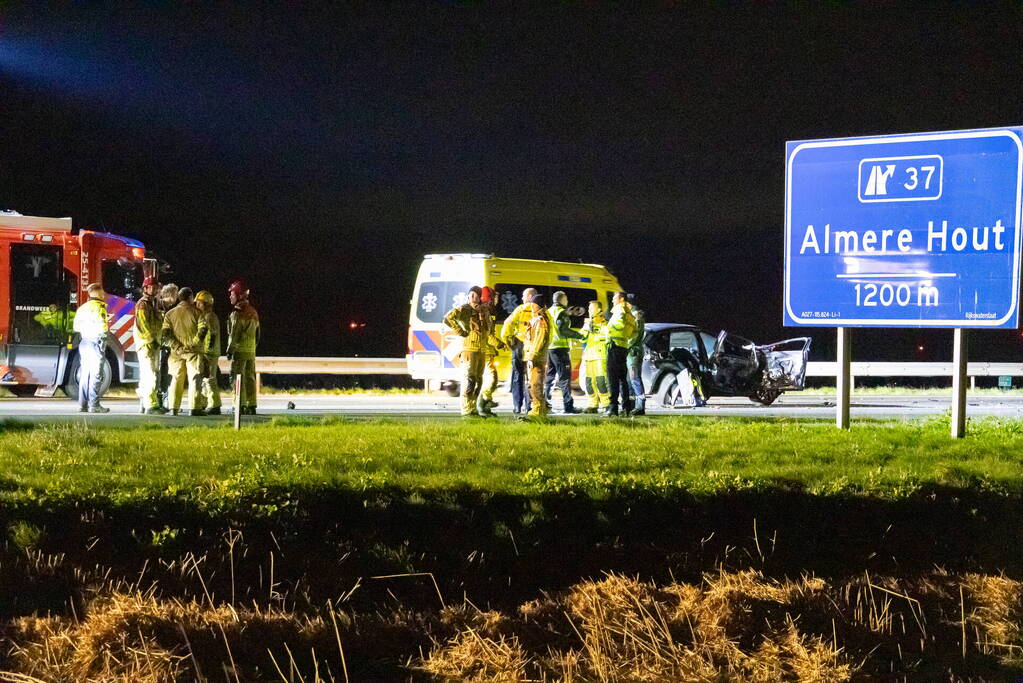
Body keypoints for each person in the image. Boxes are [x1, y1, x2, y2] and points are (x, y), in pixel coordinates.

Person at [443, 286, 491, 417]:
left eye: (476, 295)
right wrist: (460, 331)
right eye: (471, 295)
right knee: (469, 380)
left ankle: (473, 407)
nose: (473, 298)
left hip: (481, 350)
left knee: (478, 381)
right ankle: (466, 409)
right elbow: (448, 318)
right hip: (468, 349)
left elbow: (488, 330)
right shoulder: (464, 309)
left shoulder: (484, 311)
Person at [162, 287, 205, 416]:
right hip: (194, 352)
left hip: (176, 353)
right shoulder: (198, 313)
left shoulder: (170, 314)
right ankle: (194, 408)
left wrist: (177, 346)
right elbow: (203, 330)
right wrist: (194, 344)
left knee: (175, 379)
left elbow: (165, 333)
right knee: (194, 379)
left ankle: (173, 408)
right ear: (190, 298)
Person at [500, 287, 540, 414]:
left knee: (517, 376)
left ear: (529, 296)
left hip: (519, 345)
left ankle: (517, 406)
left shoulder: (520, 310)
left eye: (524, 296)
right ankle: (529, 406)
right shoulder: (538, 310)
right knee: (531, 377)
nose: (522, 298)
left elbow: (508, 324)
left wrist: (508, 341)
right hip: (532, 347)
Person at [72, 283, 110, 413]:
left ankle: (82, 405)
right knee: (96, 375)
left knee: (85, 374)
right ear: (97, 292)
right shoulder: (99, 308)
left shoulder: (82, 308)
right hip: (95, 342)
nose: (104, 294)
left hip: (84, 342)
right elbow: (103, 328)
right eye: (102, 291)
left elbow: (76, 327)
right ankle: (94, 405)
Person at [544, 290, 584, 414]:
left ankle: (546, 404)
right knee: (564, 378)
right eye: (566, 299)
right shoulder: (561, 312)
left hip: (550, 348)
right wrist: (579, 335)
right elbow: (564, 331)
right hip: (560, 349)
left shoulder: (548, 312)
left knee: (549, 378)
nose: (567, 301)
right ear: (561, 300)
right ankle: (568, 405)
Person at [133, 276, 167, 415]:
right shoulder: (143, 304)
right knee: (150, 375)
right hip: (147, 344)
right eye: (151, 287)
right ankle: (150, 405)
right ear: (145, 288)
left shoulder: (153, 303)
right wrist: (152, 340)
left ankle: (144, 402)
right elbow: (144, 324)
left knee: (150, 374)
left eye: (155, 287)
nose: (154, 289)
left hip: (153, 343)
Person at [227, 280, 260, 415]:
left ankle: (239, 405)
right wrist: (252, 347)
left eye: (232, 294)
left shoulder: (237, 313)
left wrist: (230, 350)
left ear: (239, 295)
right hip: (251, 351)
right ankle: (251, 405)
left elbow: (234, 334)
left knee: (237, 377)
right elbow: (258, 334)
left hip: (239, 351)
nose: (230, 296)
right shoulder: (253, 312)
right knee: (250, 378)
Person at [606, 291, 636, 416]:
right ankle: (626, 407)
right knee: (622, 379)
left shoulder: (620, 310)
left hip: (615, 347)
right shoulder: (629, 313)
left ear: (621, 299)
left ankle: (613, 409)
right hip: (623, 347)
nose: (612, 300)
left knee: (612, 379)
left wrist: (606, 329)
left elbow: (618, 325)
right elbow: (634, 332)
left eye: (614, 298)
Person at [521, 293, 551, 419]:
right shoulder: (536, 319)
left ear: (537, 305)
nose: (531, 307)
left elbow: (540, 339)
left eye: (533, 304)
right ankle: (539, 409)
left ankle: (538, 411)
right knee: (532, 384)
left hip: (537, 358)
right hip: (532, 357)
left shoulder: (541, 320)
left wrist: (532, 356)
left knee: (535, 384)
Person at [477, 286, 505, 417]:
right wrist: (500, 344)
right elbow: (488, 335)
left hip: (487, 350)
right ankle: (482, 403)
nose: (496, 300)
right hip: (485, 351)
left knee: (489, 379)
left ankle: (485, 405)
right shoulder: (485, 312)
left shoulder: (487, 311)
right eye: (493, 297)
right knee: (492, 379)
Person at [194, 290, 222, 416]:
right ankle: (206, 403)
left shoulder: (209, 316)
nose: (197, 305)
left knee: (210, 379)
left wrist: (207, 352)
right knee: (206, 379)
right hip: (209, 352)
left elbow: (213, 334)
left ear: (206, 303)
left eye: (199, 303)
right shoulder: (207, 316)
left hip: (209, 353)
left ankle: (215, 404)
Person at [580, 300, 611, 414]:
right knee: (589, 381)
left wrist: (597, 336)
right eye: (588, 309)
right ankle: (592, 404)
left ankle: (606, 403)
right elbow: (581, 338)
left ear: (599, 310)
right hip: (589, 356)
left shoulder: (604, 323)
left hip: (600, 355)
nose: (589, 311)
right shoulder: (588, 323)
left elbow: (607, 337)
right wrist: (587, 328)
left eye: (591, 309)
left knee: (601, 380)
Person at [626, 294, 647, 416]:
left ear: (629, 304)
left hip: (633, 352)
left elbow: (633, 337)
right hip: (630, 353)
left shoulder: (636, 316)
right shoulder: (632, 315)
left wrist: (624, 346)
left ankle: (640, 406)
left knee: (635, 379)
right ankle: (632, 405)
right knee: (630, 380)